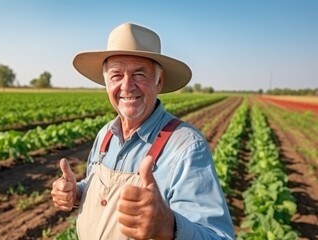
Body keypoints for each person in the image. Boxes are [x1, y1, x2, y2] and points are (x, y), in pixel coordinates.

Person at [51, 22, 234, 239]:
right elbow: (99, 187)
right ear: (107, 83)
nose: (127, 86)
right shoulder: (106, 134)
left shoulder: (186, 147)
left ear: (159, 81)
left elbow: (218, 236)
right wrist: (76, 192)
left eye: (139, 74)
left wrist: (168, 226)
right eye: (116, 75)